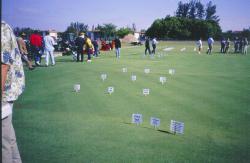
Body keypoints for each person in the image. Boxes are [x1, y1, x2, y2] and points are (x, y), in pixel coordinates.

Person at [2, 21, 25, 163]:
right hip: (6, 93)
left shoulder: (2, 28)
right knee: (8, 139)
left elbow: (3, 66)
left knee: (3, 144)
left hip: (4, 94)